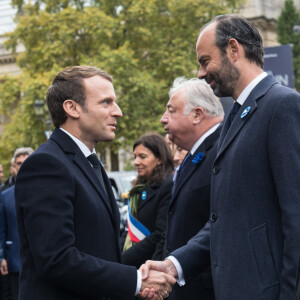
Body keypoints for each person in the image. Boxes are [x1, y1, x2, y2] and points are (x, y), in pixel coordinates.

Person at [141, 14, 300, 300]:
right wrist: (174, 265)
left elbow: (297, 216)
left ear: (233, 50)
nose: (201, 73)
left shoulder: (282, 105)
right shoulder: (233, 119)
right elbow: (224, 220)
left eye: (204, 61)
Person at [14, 66, 175, 300]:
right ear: (72, 108)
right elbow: (56, 259)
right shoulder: (47, 164)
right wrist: (135, 281)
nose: (118, 112)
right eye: (106, 102)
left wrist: (131, 281)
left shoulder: (88, 162)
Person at [160, 77, 223, 300]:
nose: (163, 119)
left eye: (171, 111)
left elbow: (222, 220)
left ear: (197, 114)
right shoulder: (198, 153)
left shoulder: (223, 150)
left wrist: (174, 265)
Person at [122, 133, 174, 268]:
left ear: (159, 159)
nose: (136, 162)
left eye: (142, 157)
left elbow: (161, 234)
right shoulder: (139, 189)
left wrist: (123, 258)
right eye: (135, 157)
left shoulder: (168, 186)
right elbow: (129, 230)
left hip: (151, 265)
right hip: (132, 264)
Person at [0, 147, 34, 300]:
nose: (22, 166)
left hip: (41, 262)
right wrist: (2, 257)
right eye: (19, 163)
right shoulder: (5, 197)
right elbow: (1, 229)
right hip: (15, 262)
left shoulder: (47, 191)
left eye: (26, 162)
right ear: (14, 166)